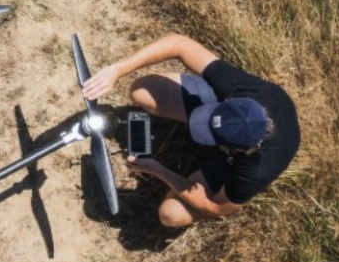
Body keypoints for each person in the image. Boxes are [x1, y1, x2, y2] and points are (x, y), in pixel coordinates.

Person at [81, 34, 300, 227]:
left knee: (171, 214)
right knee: (142, 91)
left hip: (230, 167)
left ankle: (211, 164)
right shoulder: (248, 92)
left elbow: (218, 209)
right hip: (234, 118)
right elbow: (179, 43)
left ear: (237, 150)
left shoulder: (257, 170)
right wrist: (117, 70)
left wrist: (160, 171)